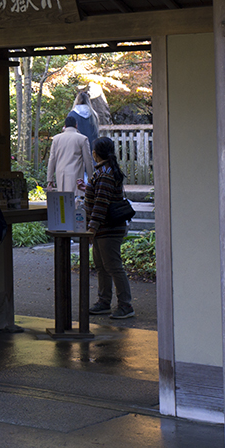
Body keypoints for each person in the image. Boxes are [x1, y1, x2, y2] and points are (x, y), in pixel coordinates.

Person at [82, 136, 135, 320]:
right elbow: (100, 197)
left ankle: (125, 305)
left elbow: (101, 204)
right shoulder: (106, 171)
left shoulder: (104, 173)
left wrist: (92, 228)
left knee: (113, 266)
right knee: (102, 266)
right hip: (104, 229)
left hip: (108, 229)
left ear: (95, 154)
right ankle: (104, 301)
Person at [45, 114, 93, 192]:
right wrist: (91, 178)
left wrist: (50, 179)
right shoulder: (82, 139)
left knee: (62, 197)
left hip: (61, 175)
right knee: (75, 197)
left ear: (65, 126)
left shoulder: (56, 139)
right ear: (76, 125)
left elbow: (52, 159)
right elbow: (88, 160)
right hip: (76, 175)